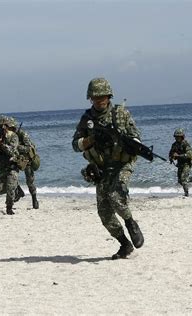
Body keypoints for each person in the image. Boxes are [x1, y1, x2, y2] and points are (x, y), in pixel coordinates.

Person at [72, 77, 144, 260]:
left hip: (123, 163)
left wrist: (126, 141)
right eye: (95, 97)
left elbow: (136, 137)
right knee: (104, 213)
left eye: (102, 96)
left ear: (109, 96)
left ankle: (130, 223)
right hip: (102, 168)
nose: (99, 100)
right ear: (90, 98)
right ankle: (125, 245)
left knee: (116, 196)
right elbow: (75, 144)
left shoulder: (121, 114)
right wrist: (89, 140)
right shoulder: (87, 119)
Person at [0, 115, 20, 215]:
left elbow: (12, 151)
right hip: (0, 166)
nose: (0, 128)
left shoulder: (13, 136)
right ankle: (17, 189)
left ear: (7, 126)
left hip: (11, 165)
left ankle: (9, 207)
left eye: (2, 126)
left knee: (10, 188)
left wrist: (2, 145)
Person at [10, 117, 40, 209]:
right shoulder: (9, 135)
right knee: (11, 176)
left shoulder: (23, 134)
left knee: (30, 182)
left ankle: (34, 199)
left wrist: (16, 146)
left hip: (27, 160)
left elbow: (28, 148)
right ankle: (19, 192)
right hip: (17, 159)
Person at [168, 128, 192, 197]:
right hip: (180, 164)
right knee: (180, 180)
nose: (177, 138)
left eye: (178, 136)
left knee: (183, 179)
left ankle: (186, 194)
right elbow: (171, 153)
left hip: (187, 163)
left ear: (182, 137)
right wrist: (171, 158)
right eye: (176, 137)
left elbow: (190, 154)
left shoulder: (186, 144)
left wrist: (178, 155)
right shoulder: (174, 145)